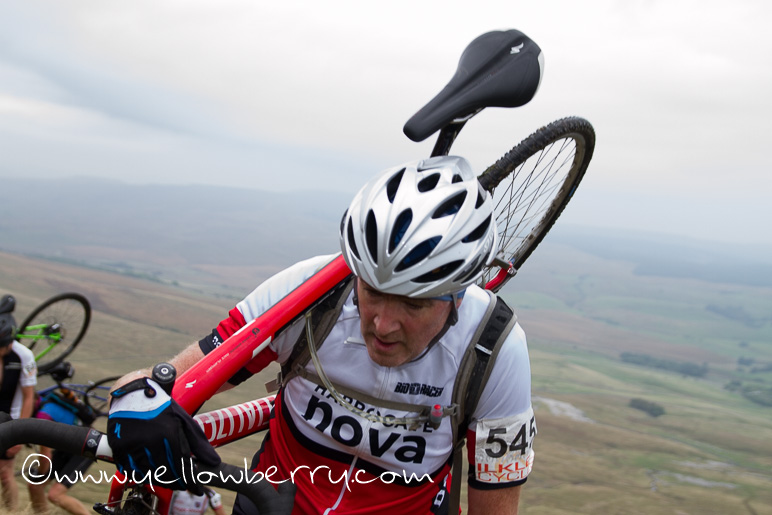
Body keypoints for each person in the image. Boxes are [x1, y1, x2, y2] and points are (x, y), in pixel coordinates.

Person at [108, 156, 536, 515]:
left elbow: (494, 505)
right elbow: (171, 378)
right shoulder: (309, 291)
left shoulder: (494, 347)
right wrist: (133, 400)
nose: (383, 325)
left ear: (458, 295)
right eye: (372, 291)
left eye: (413, 304)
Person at [27, 371, 97, 515]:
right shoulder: (46, 401)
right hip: (68, 446)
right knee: (34, 486)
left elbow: (46, 456)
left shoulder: (43, 416)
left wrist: (41, 474)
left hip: (86, 447)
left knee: (55, 495)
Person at [0, 311, 38, 510]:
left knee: (5, 474)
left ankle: (11, 511)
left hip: (10, 419)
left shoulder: (24, 355)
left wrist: (19, 435)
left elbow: (29, 396)